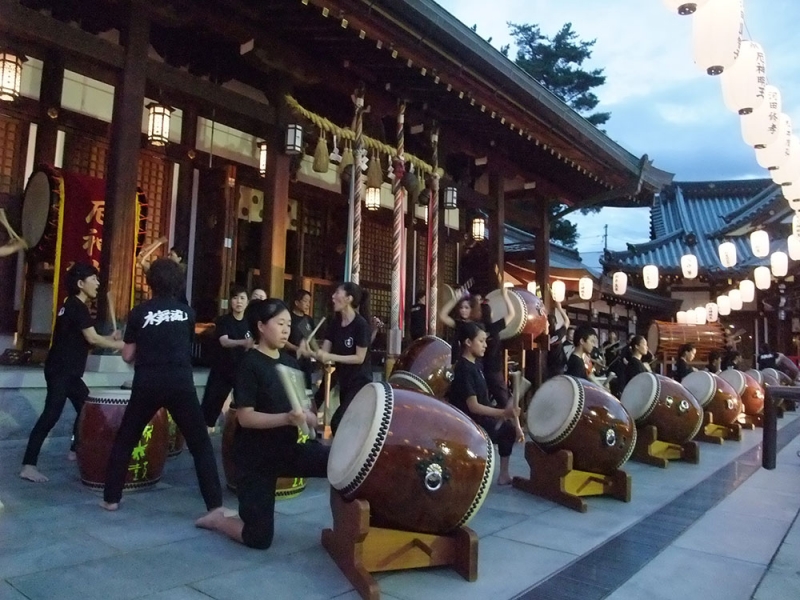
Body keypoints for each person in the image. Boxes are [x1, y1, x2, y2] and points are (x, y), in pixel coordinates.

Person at [195, 298, 328, 549]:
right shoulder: (249, 364)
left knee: (339, 463)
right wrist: (287, 418)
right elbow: (245, 417)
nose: (287, 329)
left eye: (289, 324)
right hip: (255, 457)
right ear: (261, 326)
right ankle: (219, 519)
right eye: (280, 323)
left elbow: (302, 407)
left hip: (287, 449)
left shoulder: (289, 363)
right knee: (259, 538)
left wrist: (309, 417)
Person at [101, 259, 223, 515]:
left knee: (126, 439)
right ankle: (214, 505)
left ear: (150, 282)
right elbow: (183, 345)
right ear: (178, 283)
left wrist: (130, 343)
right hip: (180, 383)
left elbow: (127, 355)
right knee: (200, 444)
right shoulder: (187, 314)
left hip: (147, 383)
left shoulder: (139, 312)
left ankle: (111, 498)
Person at [20, 263, 124, 483]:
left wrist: (110, 340)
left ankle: (74, 449)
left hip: (67, 372)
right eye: (93, 279)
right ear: (80, 284)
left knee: (86, 408)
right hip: (62, 371)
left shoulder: (72, 306)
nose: (97, 283)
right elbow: (93, 338)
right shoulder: (77, 306)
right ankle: (28, 465)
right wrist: (122, 345)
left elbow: (84, 341)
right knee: (51, 416)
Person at [448, 321, 521, 486]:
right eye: (481, 341)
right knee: (507, 430)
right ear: (468, 342)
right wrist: (503, 413)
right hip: (470, 421)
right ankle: (502, 474)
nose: (485, 345)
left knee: (508, 428)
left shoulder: (475, 365)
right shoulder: (464, 369)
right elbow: (473, 406)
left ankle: (503, 474)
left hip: (478, 417)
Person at [312, 282, 372, 434]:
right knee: (346, 425)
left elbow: (359, 358)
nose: (333, 297)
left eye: (337, 293)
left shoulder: (361, 325)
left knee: (338, 422)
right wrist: (310, 351)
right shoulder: (335, 323)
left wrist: (329, 356)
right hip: (344, 381)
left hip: (359, 383)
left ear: (349, 298)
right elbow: (324, 353)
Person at [200, 284, 254, 430]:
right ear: (230, 301)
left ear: (247, 302)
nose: (238, 302)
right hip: (222, 369)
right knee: (211, 405)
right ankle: (203, 435)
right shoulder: (224, 320)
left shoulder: (250, 323)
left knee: (243, 406)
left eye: (242, 298)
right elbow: (224, 341)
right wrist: (244, 342)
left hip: (241, 371)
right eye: (235, 298)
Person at [478, 286, 516, 408]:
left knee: (484, 400)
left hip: (480, 368)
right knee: (503, 400)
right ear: (491, 313)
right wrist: (505, 296)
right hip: (494, 369)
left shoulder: (476, 328)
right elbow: (512, 313)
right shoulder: (495, 327)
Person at [284, 289, 316, 390]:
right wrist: (296, 348)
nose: (308, 304)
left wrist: (316, 351)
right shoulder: (288, 318)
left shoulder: (308, 320)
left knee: (306, 389)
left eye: (309, 302)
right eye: (305, 301)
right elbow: (283, 339)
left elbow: (310, 339)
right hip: (290, 358)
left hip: (305, 361)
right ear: (297, 302)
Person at [545, 301, 570, 379]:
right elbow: (567, 321)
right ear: (556, 323)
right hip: (559, 367)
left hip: (547, 367)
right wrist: (559, 308)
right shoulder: (558, 334)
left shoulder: (543, 337)